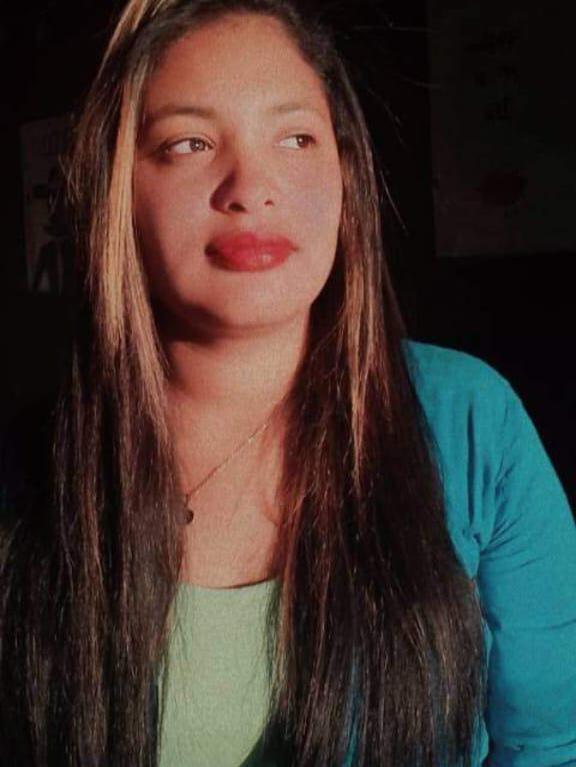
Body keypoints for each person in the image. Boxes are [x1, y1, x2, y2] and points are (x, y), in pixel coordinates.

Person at [1, 1, 575, 766]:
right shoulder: (26, 477)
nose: (251, 187)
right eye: (189, 143)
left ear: (344, 172)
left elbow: (548, 744)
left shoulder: (472, 424)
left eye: (296, 137)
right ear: (117, 192)